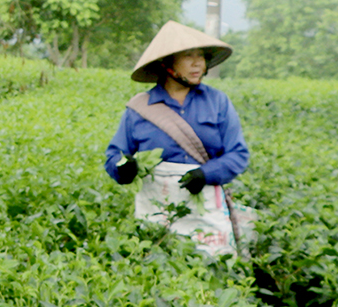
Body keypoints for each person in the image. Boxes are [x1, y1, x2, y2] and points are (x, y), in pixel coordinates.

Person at [103, 21, 249, 254]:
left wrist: (206, 174)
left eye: (201, 56)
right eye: (188, 56)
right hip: (156, 209)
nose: (197, 63)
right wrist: (124, 168)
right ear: (167, 63)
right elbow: (114, 155)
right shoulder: (139, 109)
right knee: (158, 265)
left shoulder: (217, 102)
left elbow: (238, 154)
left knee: (213, 266)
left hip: (205, 206)